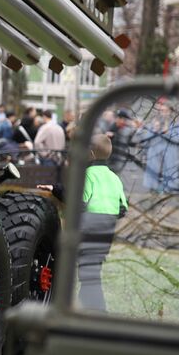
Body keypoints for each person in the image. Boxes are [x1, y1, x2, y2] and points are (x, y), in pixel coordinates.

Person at [76, 133, 127, 312]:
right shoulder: (115, 178)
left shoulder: (88, 174)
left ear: (90, 154)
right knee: (93, 267)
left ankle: (97, 309)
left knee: (87, 271)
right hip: (107, 228)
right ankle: (86, 301)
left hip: (89, 225)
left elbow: (80, 202)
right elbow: (123, 208)